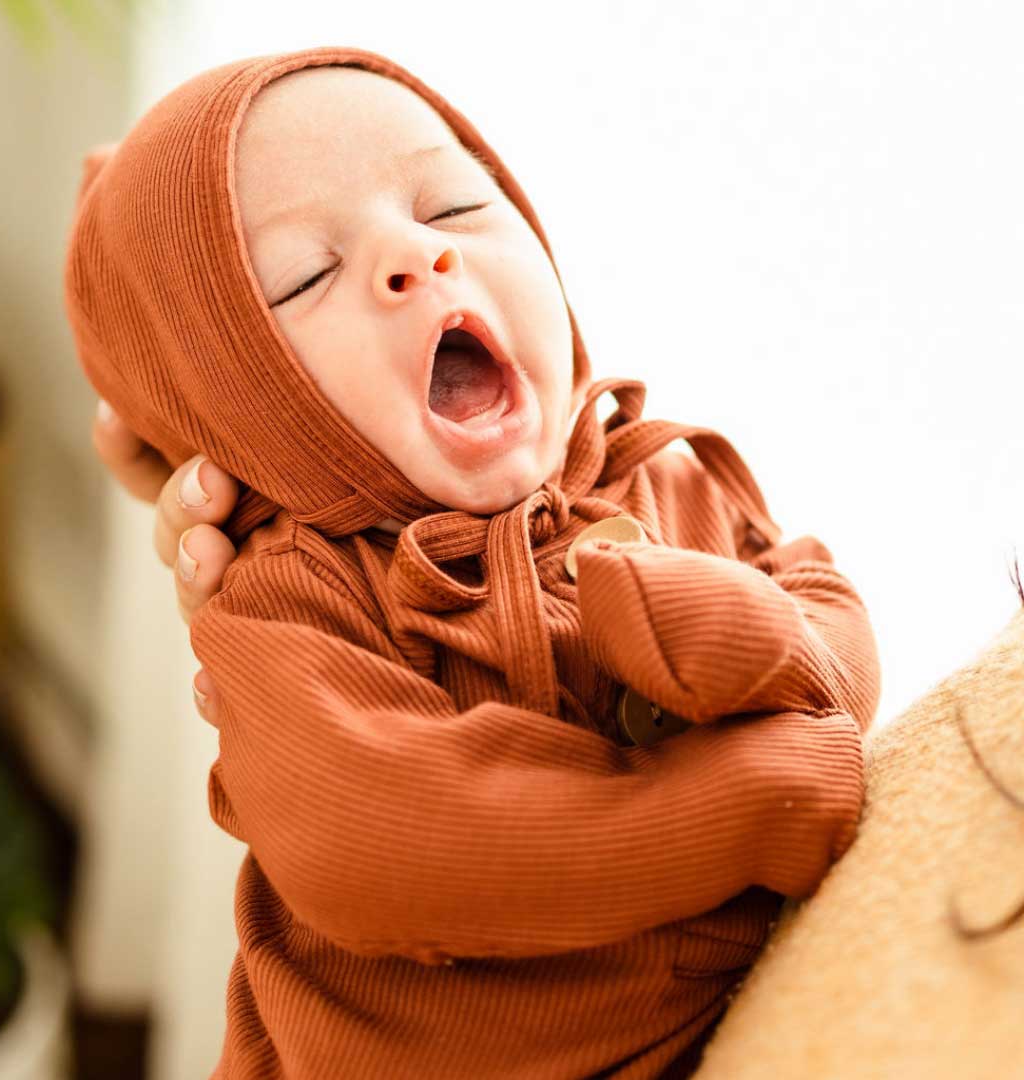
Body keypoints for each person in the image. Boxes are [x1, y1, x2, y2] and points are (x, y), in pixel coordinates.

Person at [68, 46, 880, 1079]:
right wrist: (725, 813)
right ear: (229, 405)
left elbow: (815, 593)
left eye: (453, 206)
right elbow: (382, 847)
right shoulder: (289, 602)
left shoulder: (655, 471)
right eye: (305, 276)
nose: (418, 258)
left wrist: (791, 662)